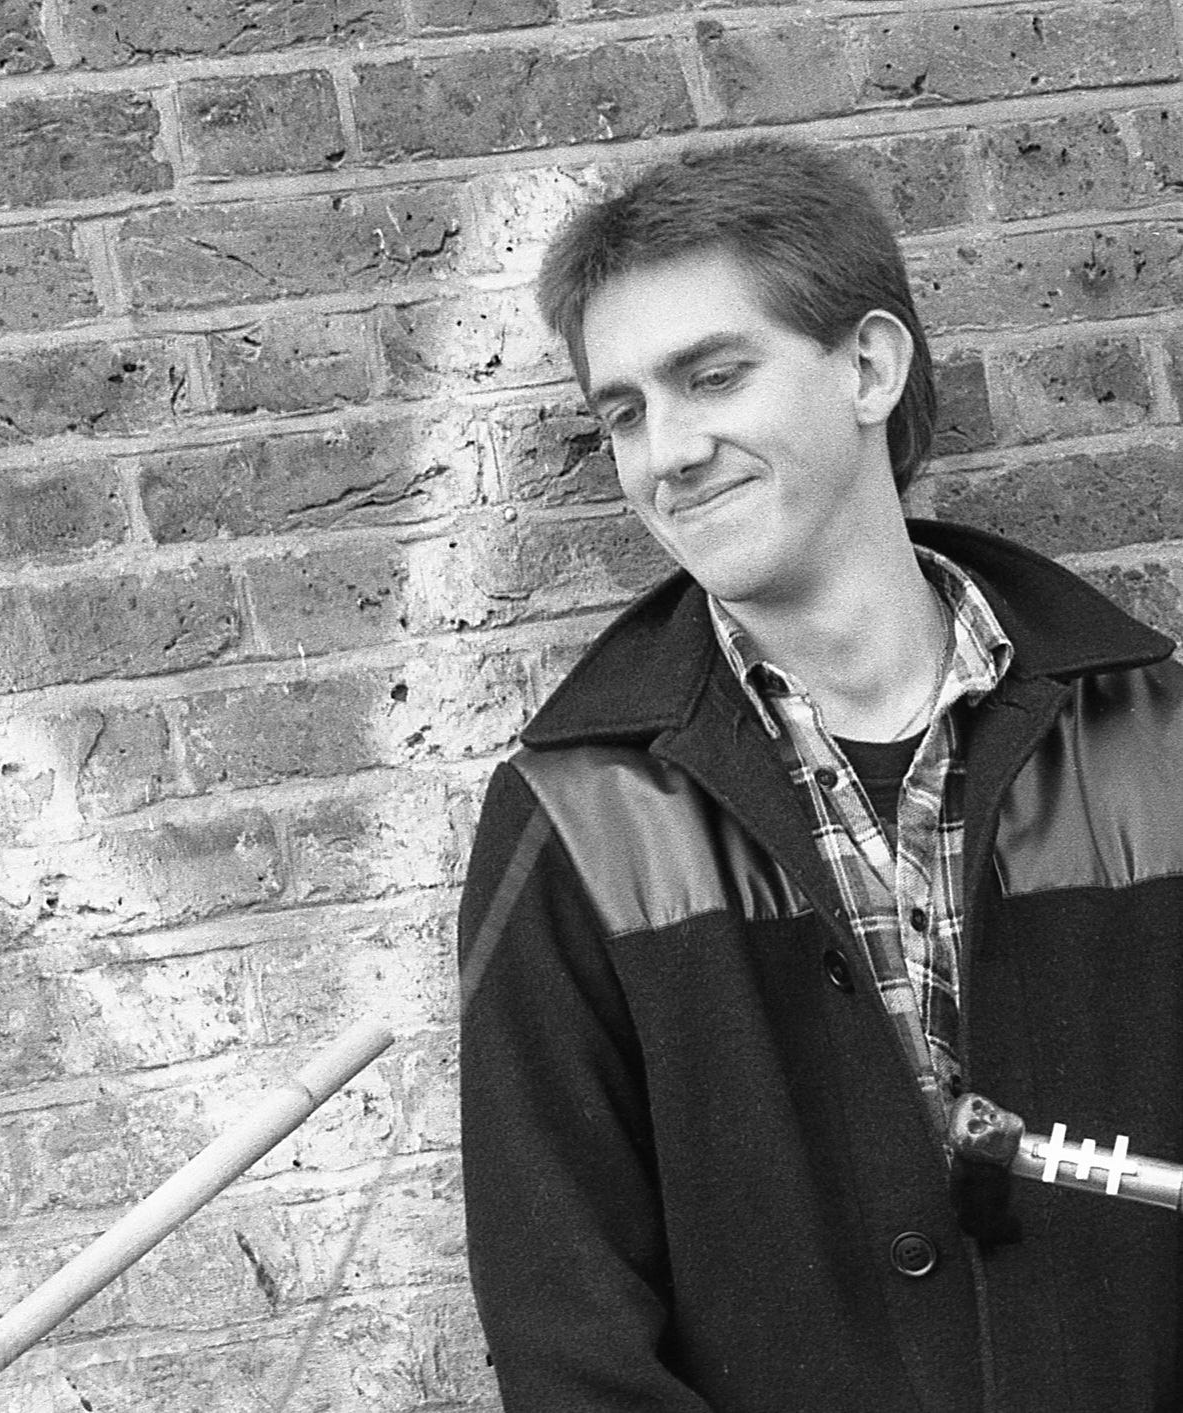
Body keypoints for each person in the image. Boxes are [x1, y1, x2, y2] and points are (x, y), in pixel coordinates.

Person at [456, 136, 1183, 1411]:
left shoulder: (1156, 745)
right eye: (622, 413)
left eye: (711, 376)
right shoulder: (572, 821)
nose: (665, 452)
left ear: (866, 367)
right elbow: (568, 1340)